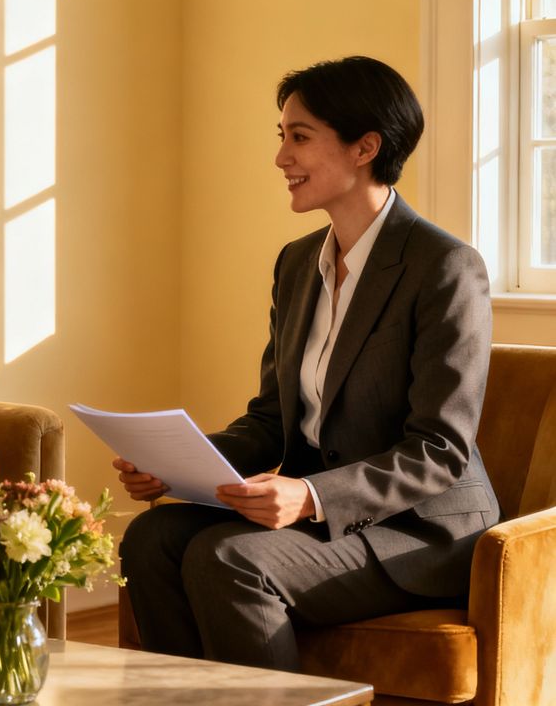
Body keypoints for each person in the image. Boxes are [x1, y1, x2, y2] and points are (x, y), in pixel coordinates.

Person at [112, 56, 501, 671]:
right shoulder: (297, 265)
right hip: (322, 513)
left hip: (419, 531)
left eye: (300, 136)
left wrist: (311, 496)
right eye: (282, 136)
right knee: (152, 537)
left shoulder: (445, 267)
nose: (281, 157)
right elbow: (272, 419)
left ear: (364, 147)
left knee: (228, 558)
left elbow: (440, 449)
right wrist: (176, 466)